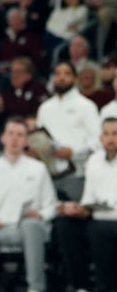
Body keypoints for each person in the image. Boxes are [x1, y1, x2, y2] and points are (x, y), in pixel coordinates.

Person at [0, 117, 57, 292]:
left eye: (20, 135)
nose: (14, 139)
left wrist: (40, 214)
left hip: (26, 230)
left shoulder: (38, 169)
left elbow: (52, 206)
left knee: (31, 226)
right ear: (3, 137)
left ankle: (35, 287)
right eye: (10, 133)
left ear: (26, 141)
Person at [54, 117, 117, 291]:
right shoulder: (94, 160)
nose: (111, 138)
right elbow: (88, 197)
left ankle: (106, 287)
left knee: (98, 229)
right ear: (101, 137)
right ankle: (81, 286)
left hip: (111, 219)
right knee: (64, 225)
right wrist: (80, 209)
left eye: (115, 134)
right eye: (106, 134)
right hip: (96, 215)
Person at [35, 60, 101, 201]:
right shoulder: (45, 108)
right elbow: (39, 137)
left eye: (66, 73)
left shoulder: (86, 106)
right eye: (57, 74)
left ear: (75, 78)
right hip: (49, 174)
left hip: (77, 172)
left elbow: (97, 139)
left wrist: (74, 152)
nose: (61, 77)